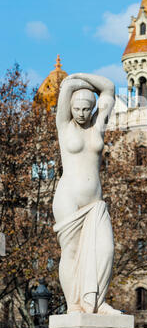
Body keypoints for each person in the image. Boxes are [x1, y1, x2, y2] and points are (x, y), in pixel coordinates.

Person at [52, 73, 121, 315]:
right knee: (70, 251)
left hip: (95, 202)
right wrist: (74, 83)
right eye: (77, 108)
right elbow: (67, 86)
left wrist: (80, 77)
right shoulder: (64, 125)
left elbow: (109, 88)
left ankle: (96, 302)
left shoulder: (98, 124)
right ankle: (74, 305)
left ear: (92, 108)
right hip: (68, 197)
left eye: (86, 108)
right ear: (70, 107)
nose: (81, 113)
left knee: (106, 250)